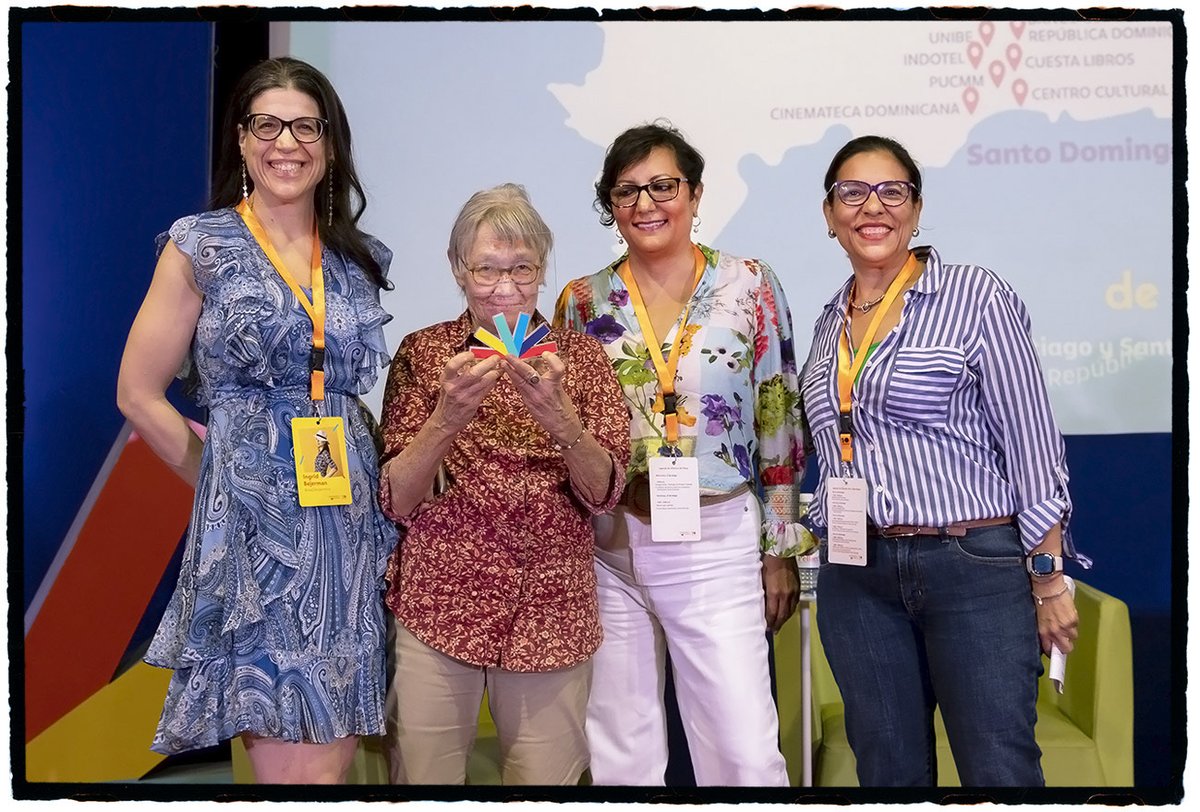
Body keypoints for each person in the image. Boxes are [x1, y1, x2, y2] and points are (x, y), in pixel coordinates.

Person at [116, 57, 398, 784]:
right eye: (267, 124)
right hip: (254, 537)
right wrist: (223, 485)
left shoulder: (353, 259)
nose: (287, 143)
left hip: (344, 529)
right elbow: (139, 394)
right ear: (241, 141)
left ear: (329, 146)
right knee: (284, 769)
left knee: (329, 767)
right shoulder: (201, 245)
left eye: (307, 126)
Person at [799, 134, 1090, 786]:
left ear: (916, 207)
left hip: (971, 569)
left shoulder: (974, 295)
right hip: (858, 576)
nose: (872, 206)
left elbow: (1033, 446)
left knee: (998, 772)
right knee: (888, 775)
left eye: (891, 190)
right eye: (852, 192)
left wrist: (1047, 577)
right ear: (829, 215)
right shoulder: (827, 324)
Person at [553, 121, 808, 787]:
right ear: (610, 205)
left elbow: (779, 417)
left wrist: (779, 546)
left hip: (715, 540)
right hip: (609, 544)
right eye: (627, 191)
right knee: (621, 756)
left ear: (694, 194)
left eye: (663, 185)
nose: (646, 204)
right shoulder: (582, 302)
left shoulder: (749, 284)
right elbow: (566, 427)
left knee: (744, 756)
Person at [377, 183, 631, 786]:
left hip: (551, 607)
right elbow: (396, 497)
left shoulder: (580, 357)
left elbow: (605, 492)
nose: (506, 287)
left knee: (547, 787)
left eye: (522, 268)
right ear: (458, 270)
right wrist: (446, 417)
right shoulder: (425, 353)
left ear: (543, 269)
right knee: (423, 785)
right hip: (440, 603)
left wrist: (561, 420)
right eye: (486, 269)